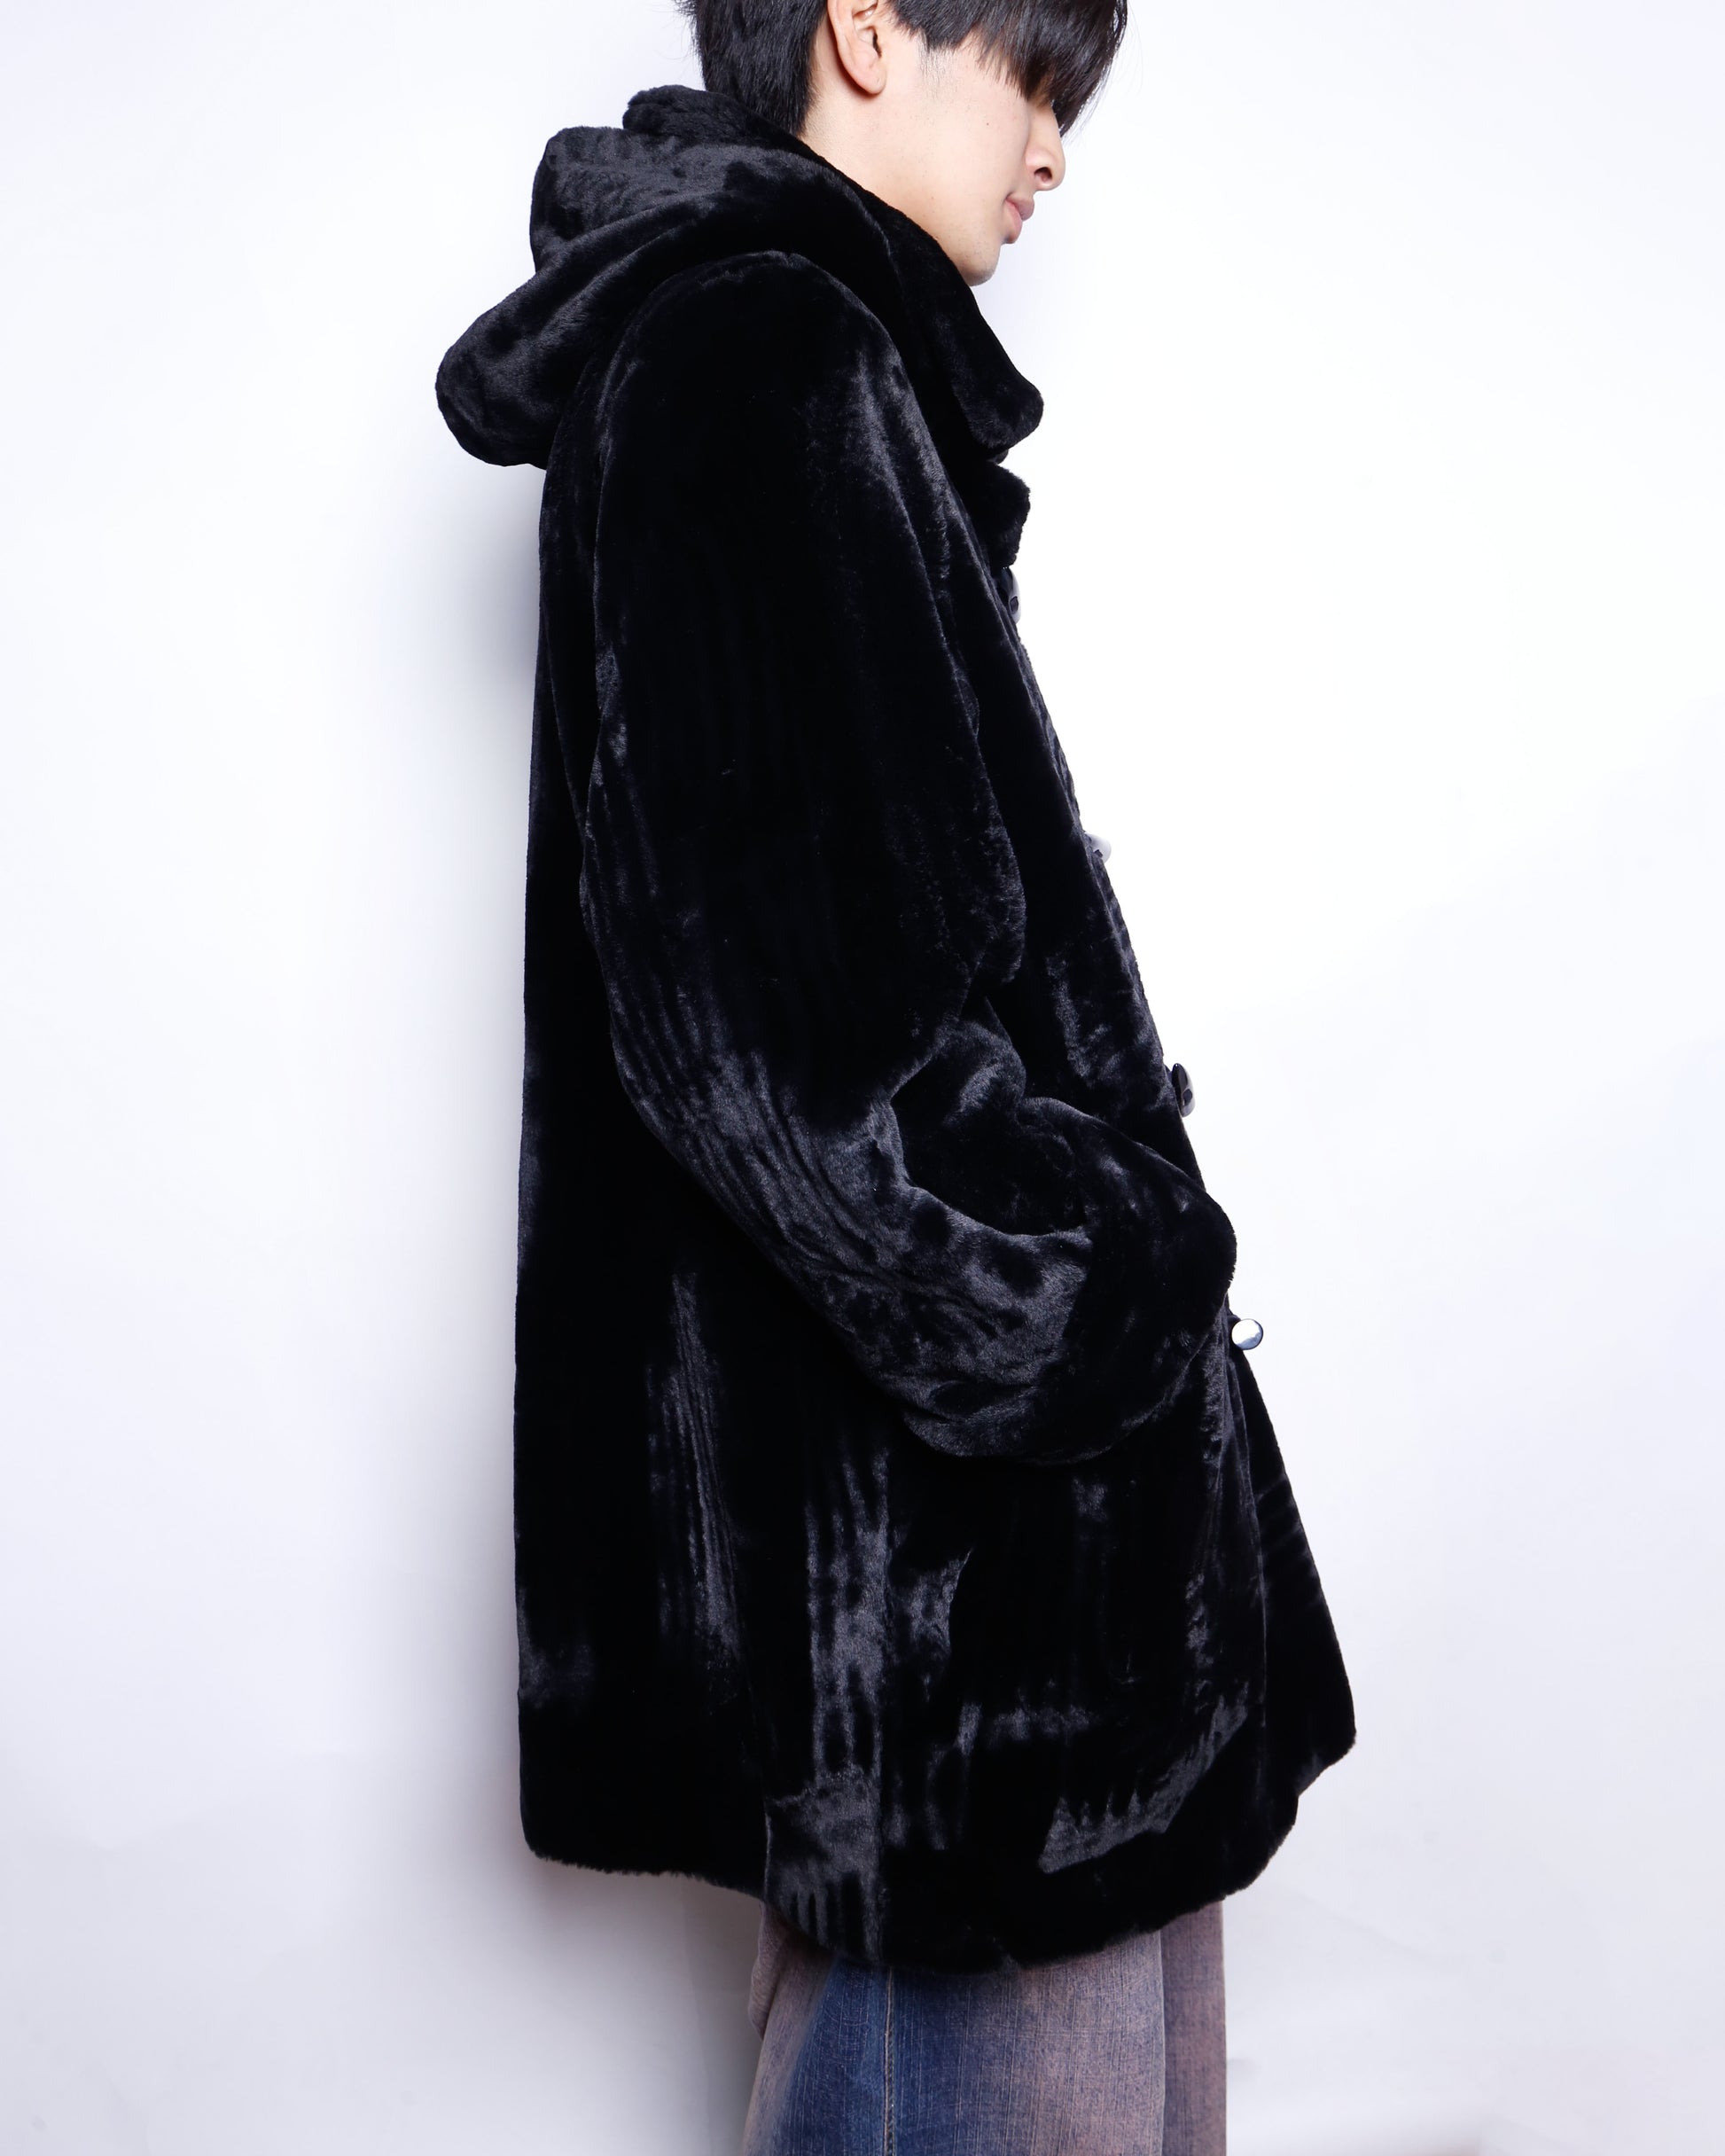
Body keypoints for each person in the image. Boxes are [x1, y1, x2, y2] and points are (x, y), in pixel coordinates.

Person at [436, 0, 1356, 2146]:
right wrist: (1111, 1283)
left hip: (959, 1588)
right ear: (865, 23)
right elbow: (787, 1051)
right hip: (954, 1619)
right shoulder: (756, 352)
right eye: (1038, 72)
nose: (1056, 150)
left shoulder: (790, 356)